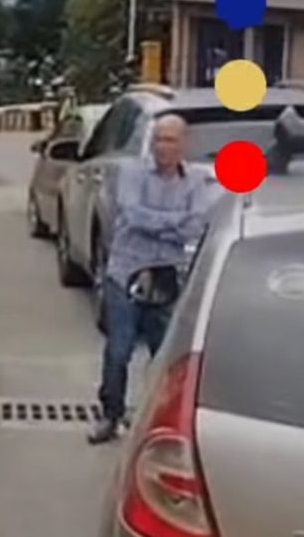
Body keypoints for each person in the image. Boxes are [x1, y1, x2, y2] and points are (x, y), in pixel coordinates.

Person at [88, 114, 210, 445]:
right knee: (119, 349)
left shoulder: (196, 181)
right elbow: (131, 213)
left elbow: (197, 223)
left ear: (184, 144)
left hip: (168, 275)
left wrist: (160, 222)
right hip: (126, 271)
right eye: (158, 139)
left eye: (170, 140)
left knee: (165, 354)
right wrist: (174, 222)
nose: (162, 147)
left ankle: (158, 420)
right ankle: (110, 414)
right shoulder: (131, 173)